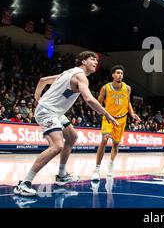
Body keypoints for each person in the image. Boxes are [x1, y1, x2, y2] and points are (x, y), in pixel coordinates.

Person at [14, 51, 118, 197]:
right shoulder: (80, 76)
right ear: (83, 61)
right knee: (57, 146)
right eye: (92, 59)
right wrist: (107, 114)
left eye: (96, 60)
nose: (96, 62)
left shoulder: (67, 73)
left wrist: (38, 99)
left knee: (72, 137)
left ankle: (62, 175)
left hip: (54, 111)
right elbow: (88, 99)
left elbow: (43, 80)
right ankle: (24, 183)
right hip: (47, 112)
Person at [91, 65, 140, 181]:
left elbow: (128, 103)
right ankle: (96, 169)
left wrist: (132, 114)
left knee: (116, 144)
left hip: (122, 119)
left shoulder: (127, 88)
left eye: (121, 73)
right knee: (104, 139)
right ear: (113, 75)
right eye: (117, 73)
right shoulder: (105, 88)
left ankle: (111, 165)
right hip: (108, 117)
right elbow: (98, 102)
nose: (120, 75)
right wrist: (99, 110)